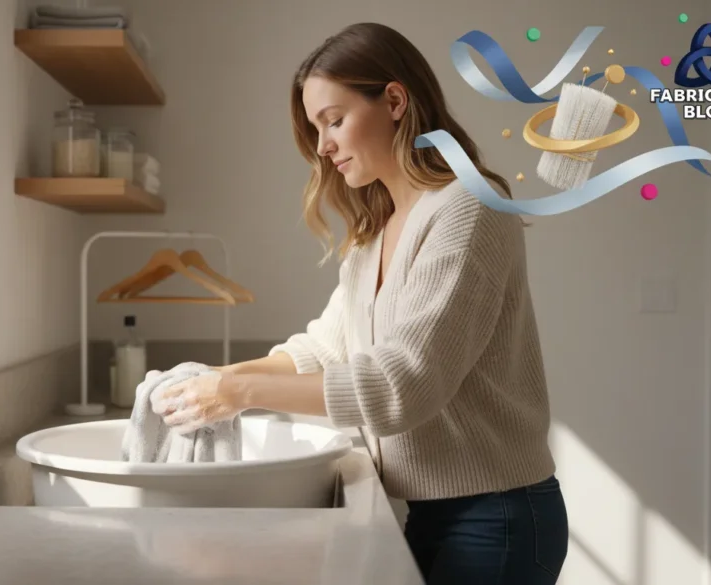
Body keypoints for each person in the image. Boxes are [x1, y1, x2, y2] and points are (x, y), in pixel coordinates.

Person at [153, 22, 569, 584]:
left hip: (498, 515)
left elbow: (403, 385)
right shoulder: (373, 237)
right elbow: (323, 349)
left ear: (395, 101)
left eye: (333, 120)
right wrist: (215, 376)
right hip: (435, 511)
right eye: (315, 128)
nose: (323, 146)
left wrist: (237, 392)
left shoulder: (469, 209)